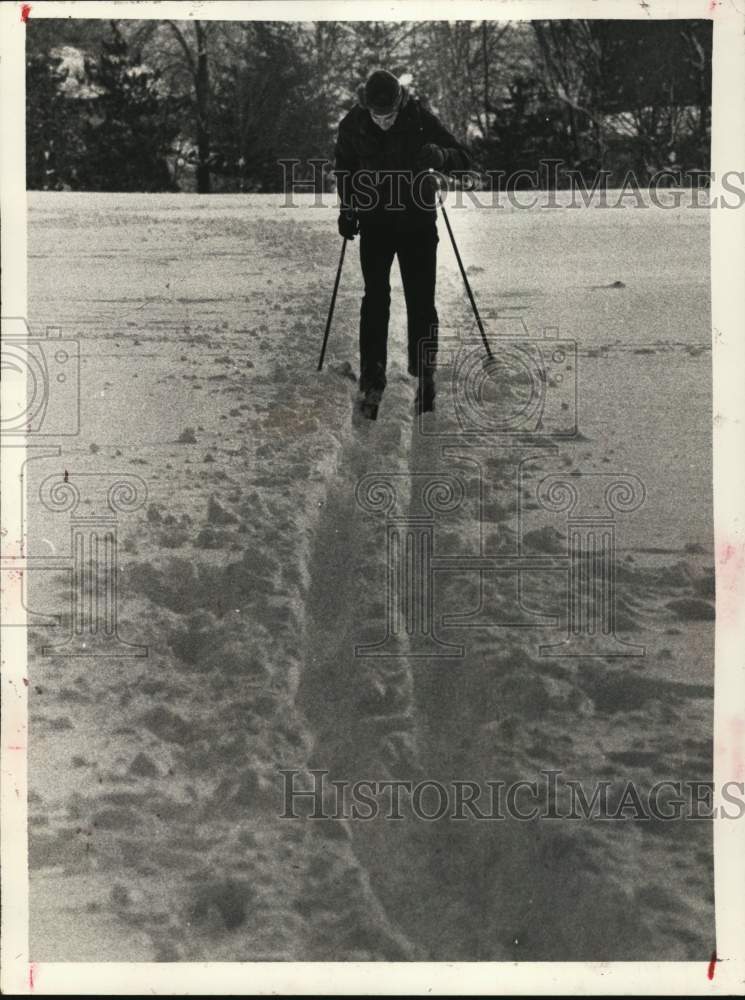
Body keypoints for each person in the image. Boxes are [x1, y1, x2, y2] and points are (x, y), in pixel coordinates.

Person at [334, 69, 471, 419]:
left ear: (400, 103)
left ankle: (424, 374)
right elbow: (345, 169)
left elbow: (463, 157)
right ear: (367, 106)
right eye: (377, 116)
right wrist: (348, 209)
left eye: (390, 115)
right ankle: (372, 374)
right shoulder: (353, 124)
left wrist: (440, 156)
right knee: (375, 298)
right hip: (375, 223)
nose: (384, 122)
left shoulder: (420, 119)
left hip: (417, 223)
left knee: (421, 299)